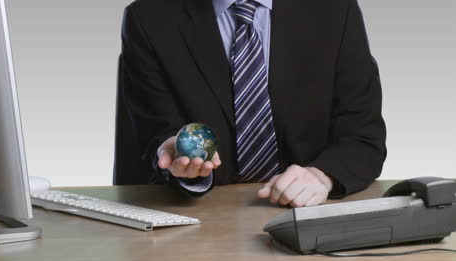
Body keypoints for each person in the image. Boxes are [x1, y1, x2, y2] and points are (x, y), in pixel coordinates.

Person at [120, 0, 387, 207]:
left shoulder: (334, 9)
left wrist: (322, 175)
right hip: (200, 222)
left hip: (308, 216)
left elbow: (363, 137)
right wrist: (174, 154)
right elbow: (157, 132)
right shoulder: (148, 19)